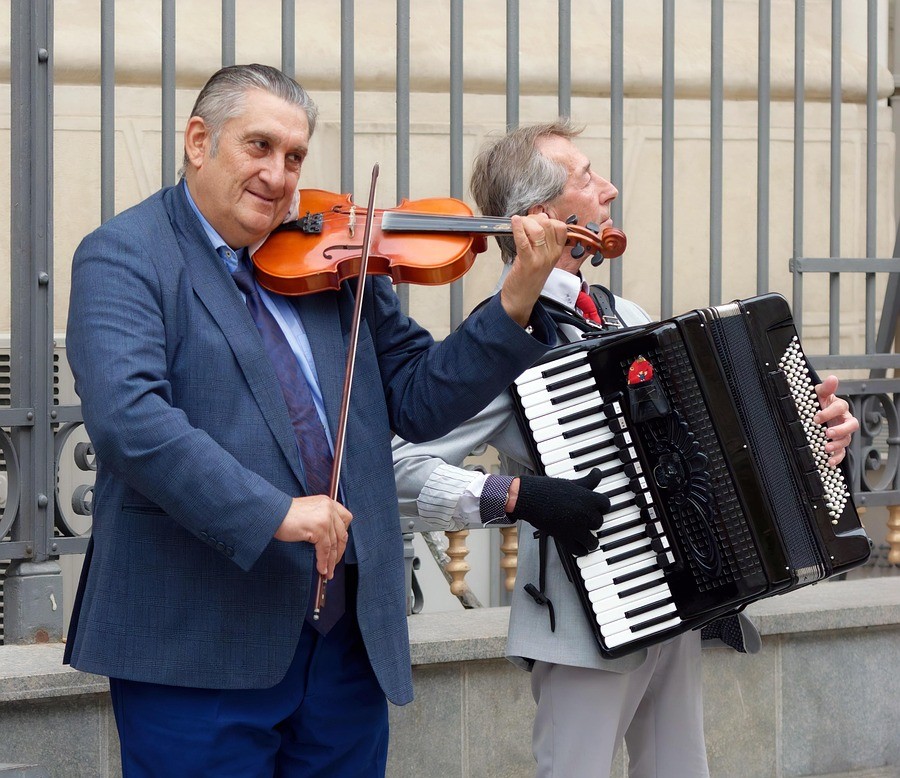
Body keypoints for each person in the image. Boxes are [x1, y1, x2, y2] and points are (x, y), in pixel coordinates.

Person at [62, 64, 580, 777]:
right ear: (197, 140)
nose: (279, 176)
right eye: (259, 147)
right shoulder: (125, 255)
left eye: (296, 156)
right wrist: (274, 511)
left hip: (343, 642)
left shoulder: (335, 266)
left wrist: (515, 300)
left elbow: (421, 401)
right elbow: (132, 421)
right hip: (198, 644)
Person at [391, 119, 860, 778]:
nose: (608, 189)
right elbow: (396, 465)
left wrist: (810, 435)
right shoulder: (498, 341)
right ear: (543, 216)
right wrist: (513, 497)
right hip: (580, 620)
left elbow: (712, 451)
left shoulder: (626, 315)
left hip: (682, 604)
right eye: (587, 176)